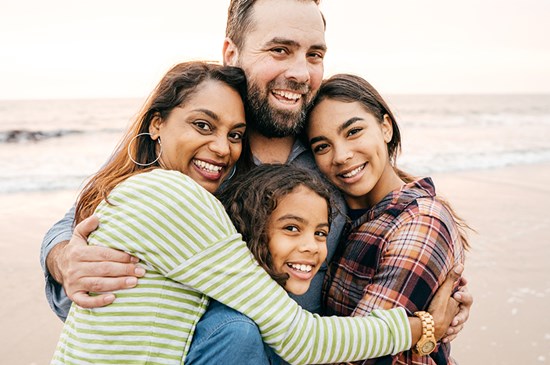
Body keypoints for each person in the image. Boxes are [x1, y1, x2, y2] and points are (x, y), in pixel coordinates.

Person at [41, 0, 472, 358]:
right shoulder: (198, 149)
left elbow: (387, 216)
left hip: (320, 352)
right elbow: (89, 217)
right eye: (280, 50)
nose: (301, 72)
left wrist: (433, 286)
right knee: (236, 329)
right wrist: (63, 260)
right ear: (232, 53)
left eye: (314, 54)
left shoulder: (326, 149)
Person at [306, 73, 472, 364]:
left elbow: (363, 355)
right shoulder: (331, 216)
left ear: (385, 127)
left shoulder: (421, 222)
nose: (342, 155)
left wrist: (428, 329)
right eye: (322, 146)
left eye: (353, 131)